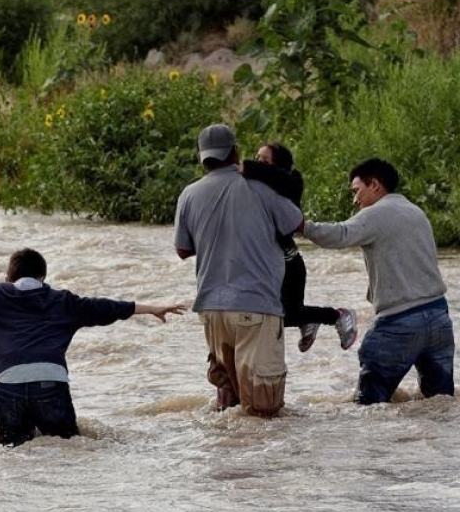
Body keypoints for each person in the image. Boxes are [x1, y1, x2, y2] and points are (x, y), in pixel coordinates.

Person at [0, 248, 185, 446]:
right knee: (68, 448)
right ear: (43, 277)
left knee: (11, 454)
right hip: (51, 381)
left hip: (9, 383)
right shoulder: (64, 301)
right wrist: (152, 308)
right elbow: (107, 307)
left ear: (8, 277)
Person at [300, 158, 454, 404]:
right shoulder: (416, 211)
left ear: (375, 185)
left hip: (399, 322)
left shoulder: (376, 214)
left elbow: (340, 235)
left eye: (356, 190)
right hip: (439, 318)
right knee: (440, 402)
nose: (355, 199)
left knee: (368, 406)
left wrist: (301, 226)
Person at [174, 124, 304, 417]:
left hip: (211, 310)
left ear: (202, 158)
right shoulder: (261, 189)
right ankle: (263, 465)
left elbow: (182, 250)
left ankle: (227, 464)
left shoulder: (189, 195)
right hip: (257, 307)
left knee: (227, 402)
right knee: (264, 413)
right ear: (236, 151)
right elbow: (295, 224)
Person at [241, 141, 357, 353]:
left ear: (279, 165)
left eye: (264, 160)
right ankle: (308, 321)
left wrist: (246, 167)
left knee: (279, 315)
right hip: (279, 262)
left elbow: (278, 177)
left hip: (289, 265)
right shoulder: (258, 187)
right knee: (270, 315)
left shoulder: (289, 183)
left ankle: (338, 315)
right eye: (256, 158)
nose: (257, 163)